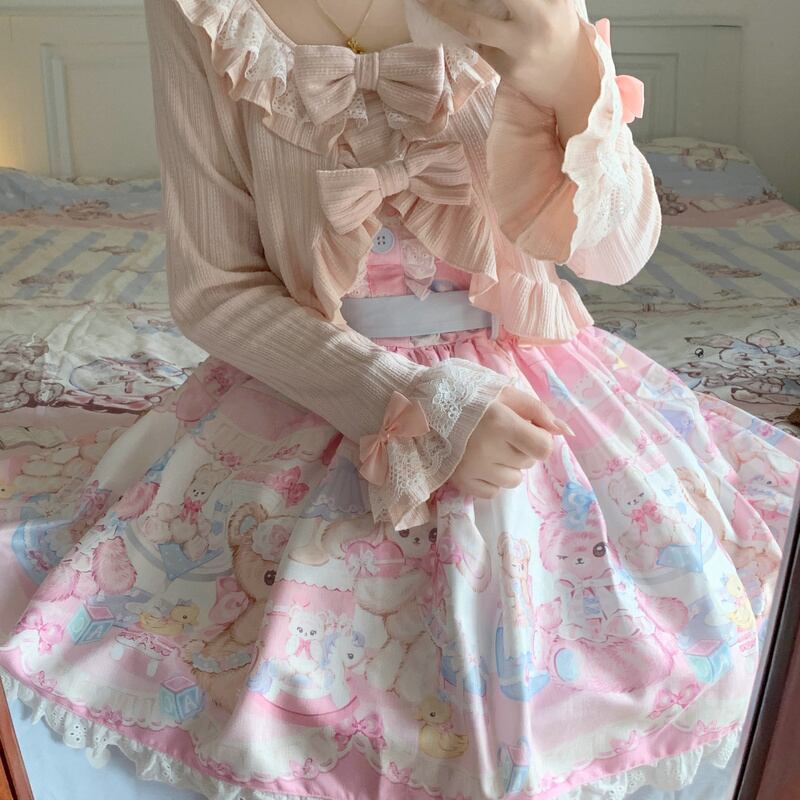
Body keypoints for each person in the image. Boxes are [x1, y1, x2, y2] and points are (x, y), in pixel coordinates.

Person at [1, 0, 798, 798]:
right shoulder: (204, 12)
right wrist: (415, 403)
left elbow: (616, 251)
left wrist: (568, 75)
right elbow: (214, 289)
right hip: (308, 376)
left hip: (535, 387)